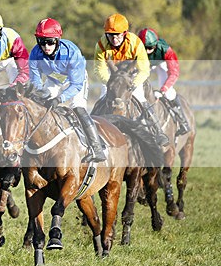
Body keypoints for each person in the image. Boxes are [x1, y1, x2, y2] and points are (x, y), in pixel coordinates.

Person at [29, 18, 106, 162]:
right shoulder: (35, 54)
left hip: (75, 81)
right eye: (41, 41)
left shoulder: (72, 52)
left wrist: (59, 99)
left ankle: (97, 149)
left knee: (78, 108)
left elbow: (76, 85)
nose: (46, 46)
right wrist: (40, 94)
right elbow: (35, 80)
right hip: (53, 81)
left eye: (50, 42)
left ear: (58, 40)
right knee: (38, 106)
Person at [94, 13, 168, 145]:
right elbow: (99, 68)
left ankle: (158, 132)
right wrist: (111, 83)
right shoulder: (100, 45)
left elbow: (144, 69)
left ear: (125, 33)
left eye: (117, 34)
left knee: (140, 97)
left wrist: (133, 84)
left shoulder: (135, 43)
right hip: (112, 78)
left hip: (131, 77)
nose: (114, 38)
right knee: (102, 98)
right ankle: (93, 133)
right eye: (111, 35)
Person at [138, 28, 191, 136]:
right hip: (144, 65)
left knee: (168, 93)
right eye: (144, 48)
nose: (147, 51)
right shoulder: (134, 48)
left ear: (156, 44)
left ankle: (182, 121)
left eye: (150, 47)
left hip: (162, 64)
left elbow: (174, 73)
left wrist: (163, 90)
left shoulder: (166, 50)